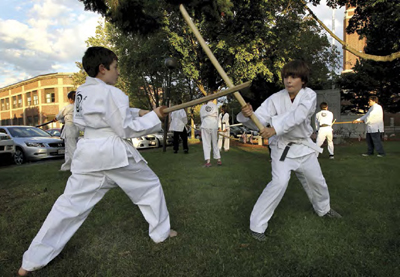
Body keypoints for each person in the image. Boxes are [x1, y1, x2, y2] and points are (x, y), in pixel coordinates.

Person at [18, 46, 177, 276]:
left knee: (68, 206)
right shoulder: (113, 94)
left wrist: (144, 111)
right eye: (116, 67)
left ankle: (30, 262)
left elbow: (110, 113)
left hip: (89, 155)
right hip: (112, 153)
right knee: (149, 187)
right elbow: (123, 126)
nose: (119, 73)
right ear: (103, 69)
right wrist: (155, 117)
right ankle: (161, 233)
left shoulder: (82, 92)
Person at [237, 60, 341, 242]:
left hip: (304, 147)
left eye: (293, 77)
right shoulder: (275, 98)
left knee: (317, 181)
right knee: (279, 183)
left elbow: (298, 116)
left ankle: (323, 209)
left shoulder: (309, 96)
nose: (288, 81)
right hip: (282, 149)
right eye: (286, 77)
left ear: (303, 80)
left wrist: (274, 129)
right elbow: (259, 119)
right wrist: (248, 115)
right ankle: (257, 226)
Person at [54, 90, 80, 171]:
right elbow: (63, 119)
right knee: (68, 150)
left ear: (70, 99)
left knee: (72, 149)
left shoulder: (68, 107)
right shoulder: (79, 107)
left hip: (70, 129)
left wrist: (55, 118)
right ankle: (67, 167)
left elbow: (59, 115)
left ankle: (78, 168)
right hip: (76, 129)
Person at [200, 99, 221, 167]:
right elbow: (217, 117)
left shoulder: (203, 107)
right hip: (214, 124)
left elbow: (201, 117)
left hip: (205, 124)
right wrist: (217, 126)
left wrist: (203, 123)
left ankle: (208, 161)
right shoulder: (215, 106)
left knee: (206, 143)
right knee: (215, 142)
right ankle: (218, 159)